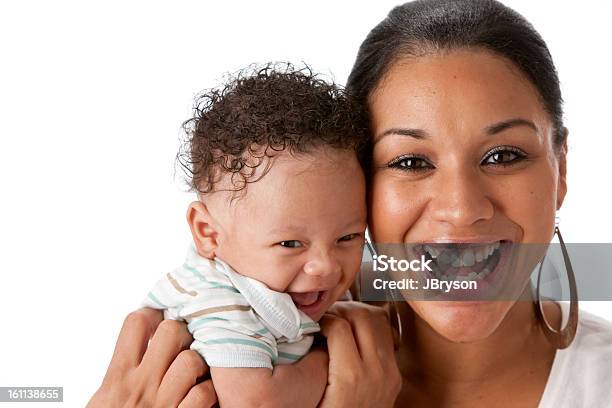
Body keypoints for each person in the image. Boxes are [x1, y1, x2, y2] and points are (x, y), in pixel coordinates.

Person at [88, 1, 612, 407]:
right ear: (355, 183)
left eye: (503, 154)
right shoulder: (202, 358)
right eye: (409, 161)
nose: (461, 207)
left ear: (561, 169)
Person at [141, 64, 371, 407]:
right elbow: (258, 402)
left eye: (348, 237)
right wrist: (333, 359)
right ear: (208, 233)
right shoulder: (222, 302)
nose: (326, 266)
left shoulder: (276, 283)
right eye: (291, 244)